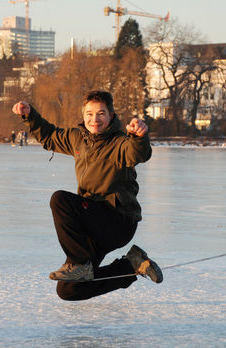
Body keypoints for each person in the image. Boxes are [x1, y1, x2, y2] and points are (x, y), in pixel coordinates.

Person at [12, 90, 162, 301]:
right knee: (68, 290)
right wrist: (30, 115)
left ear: (111, 115)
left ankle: (81, 264)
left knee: (60, 200)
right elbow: (49, 136)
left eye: (101, 113)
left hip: (117, 220)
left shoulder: (120, 143)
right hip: (92, 223)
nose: (95, 119)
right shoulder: (78, 138)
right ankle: (131, 265)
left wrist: (139, 137)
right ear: (83, 115)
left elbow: (138, 153)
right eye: (89, 114)